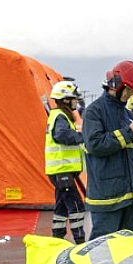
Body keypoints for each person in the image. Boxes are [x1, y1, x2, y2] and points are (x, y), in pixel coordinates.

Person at [82, 60, 133, 240]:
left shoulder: (126, 113)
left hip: (131, 198)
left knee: (131, 253)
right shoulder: (94, 112)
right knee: (102, 252)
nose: (130, 95)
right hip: (108, 200)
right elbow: (95, 145)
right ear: (116, 85)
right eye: (128, 90)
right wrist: (128, 133)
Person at [45, 81, 86, 244]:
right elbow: (62, 136)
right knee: (76, 206)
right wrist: (82, 138)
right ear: (65, 99)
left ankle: (57, 236)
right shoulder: (60, 117)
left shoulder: (58, 116)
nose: (76, 101)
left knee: (61, 206)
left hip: (61, 171)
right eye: (74, 99)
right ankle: (80, 240)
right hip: (62, 171)